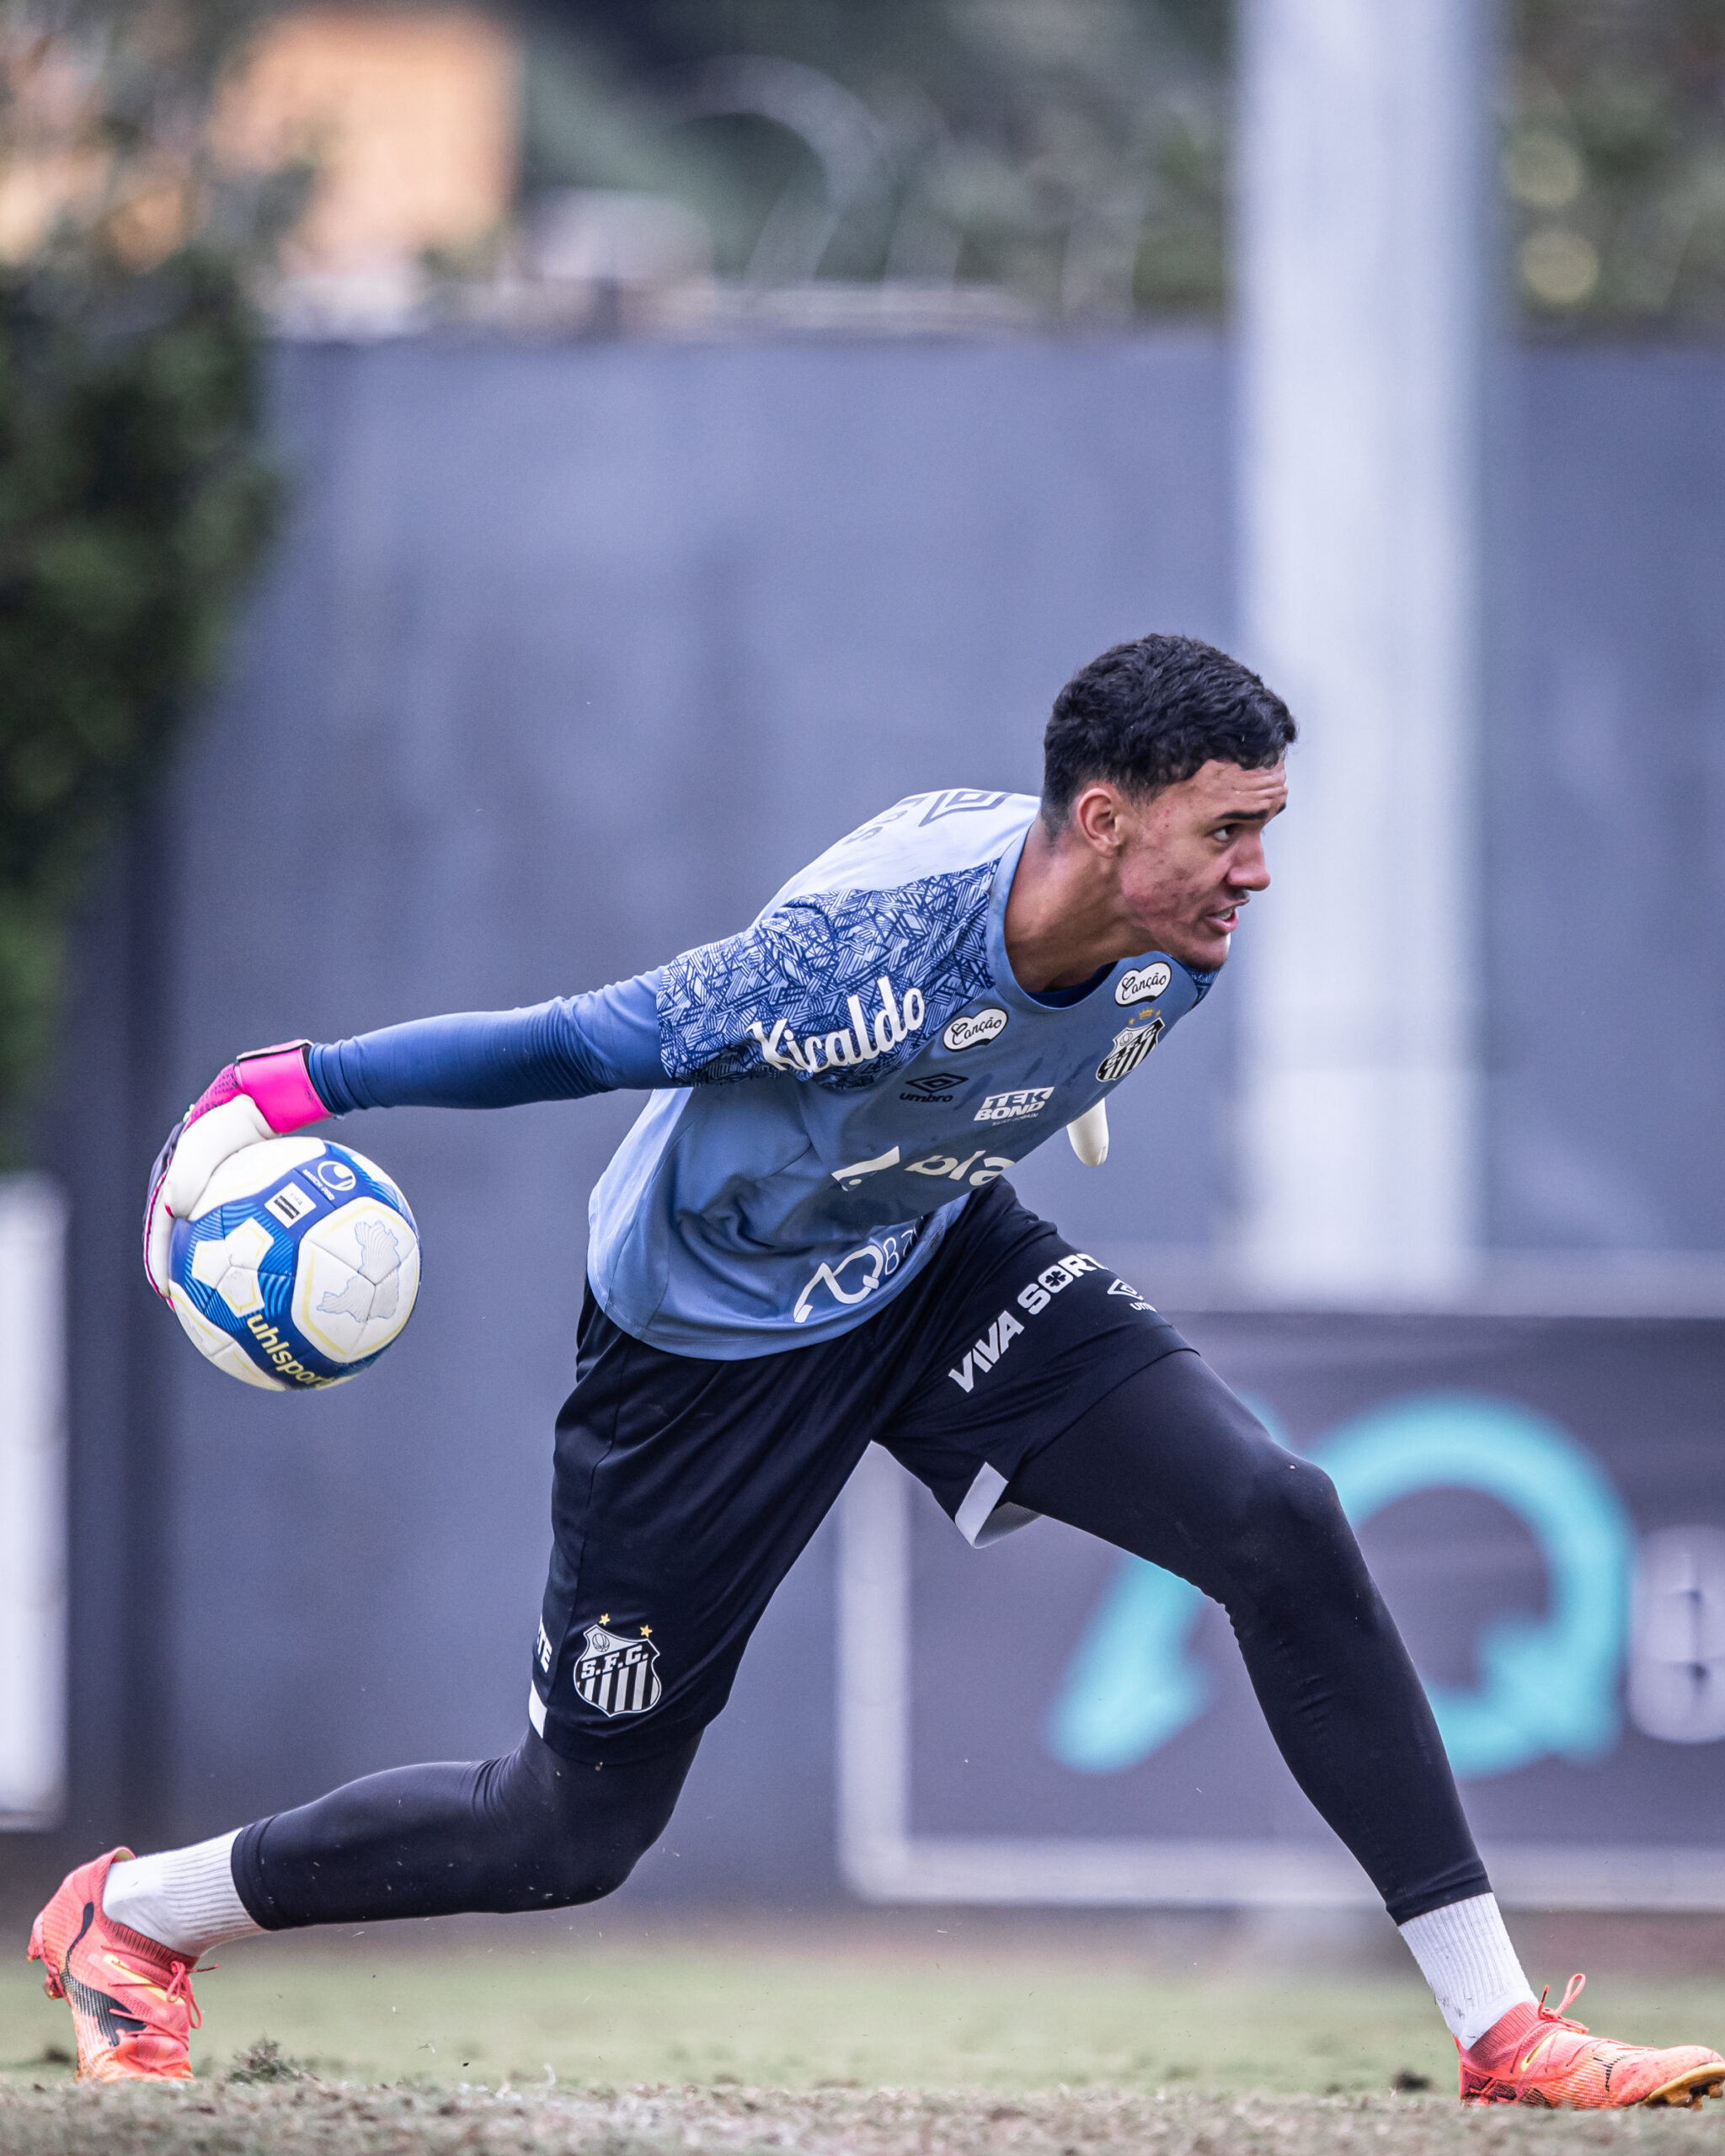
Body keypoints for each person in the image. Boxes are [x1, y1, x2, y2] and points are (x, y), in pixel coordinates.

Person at [29, 633, 1722, 2110]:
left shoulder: (1171, 950)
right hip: (703, 1348)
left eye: (1264, 829)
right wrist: (286, 1087)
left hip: (929, 1261)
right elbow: (572, 1040)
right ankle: (139, 1915)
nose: (1255, 874)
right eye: (1229, 830)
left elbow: (1005, 1005)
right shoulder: (854, 962)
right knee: (562, 1835)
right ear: (1103, 819)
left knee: (1277, 1515)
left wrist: (1020, 1087)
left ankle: (1499, 2026)